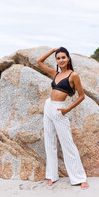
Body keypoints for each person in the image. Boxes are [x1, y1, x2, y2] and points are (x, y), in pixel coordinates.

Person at [36, 47, 89, 189]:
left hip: (60, 109)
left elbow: (82, 96)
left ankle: (80, 178)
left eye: (63, 57)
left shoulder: (73, 75)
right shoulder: (55, 74)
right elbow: (39, 61)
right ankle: (52, 176)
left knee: (68, 144)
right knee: (49, 141)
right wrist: (53, 50)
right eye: (58, 58)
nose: (61, 60)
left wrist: (67, 109)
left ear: (68, 58)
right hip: (48, 106)